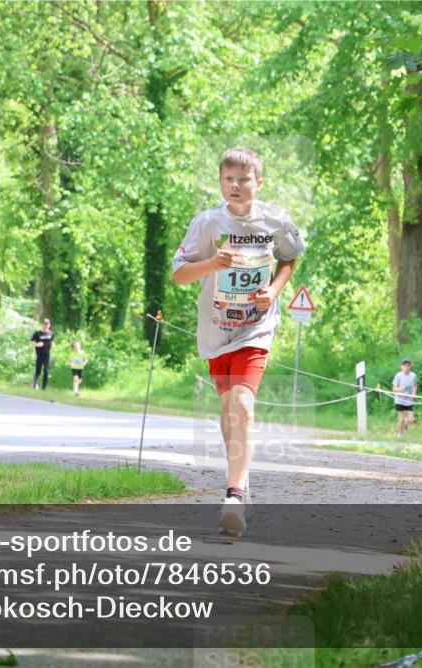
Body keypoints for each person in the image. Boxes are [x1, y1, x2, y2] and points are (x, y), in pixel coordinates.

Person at [171, 146, 305, 538]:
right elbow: (179, 275)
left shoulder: (275, 220)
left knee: (243, 405)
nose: (235, 185)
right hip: (217, 328)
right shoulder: (208, 224)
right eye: (228, 179)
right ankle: (240, 483)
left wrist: (275, 291)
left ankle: (235, 493)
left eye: (243, 179)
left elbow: (290, 257)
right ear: (220, 183)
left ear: (258, 183)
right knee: (229, 406)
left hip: (257, 326)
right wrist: (213, 264)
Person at [392, 358, 418, 436]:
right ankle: (400, 434)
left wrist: (414, 393)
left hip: (409, 400)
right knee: (402, 419)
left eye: (408, 365)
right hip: (399, 400)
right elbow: (394, 389)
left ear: (410, 366)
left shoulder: (413, 375)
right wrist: (401, 388)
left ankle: (406, 424)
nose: (406, 367)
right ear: (401, 366)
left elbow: (415, 385)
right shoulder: (398, 376)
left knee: (411, 420)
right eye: (404, 365)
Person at [31, 318, 54, 390]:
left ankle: (44, 388)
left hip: (47, 355)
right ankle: (35, 383)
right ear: (42, 325)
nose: (46, 325)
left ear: (49, 325)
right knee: (38, 370)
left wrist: (53, 345)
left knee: (46, 371)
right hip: (39, 354)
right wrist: (38, 344)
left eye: (47, 324)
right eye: (45, 324)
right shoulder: (37, 334)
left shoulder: (51, 333)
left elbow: (52, 342)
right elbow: (32, 343)